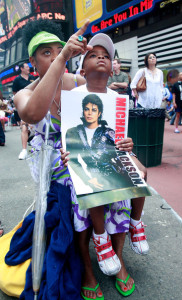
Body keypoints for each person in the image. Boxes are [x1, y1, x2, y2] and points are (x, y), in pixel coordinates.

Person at [0, 19, 135, 300]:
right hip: (56, 165)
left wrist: (123, 140)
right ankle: (87, 267)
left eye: (57, 50)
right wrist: (63, 58)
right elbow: (33, 115)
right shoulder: (24, 94)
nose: (53, 57)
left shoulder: (78, 81)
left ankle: (117, 255)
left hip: (91, 153)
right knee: (78, 194)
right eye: (45, 53)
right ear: (32, 60)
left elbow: (107, 104)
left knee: (122, 181)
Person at [61, 33, 149, 299]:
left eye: (106, 55)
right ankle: (95, 254)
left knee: (141, 172)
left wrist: (128, 146)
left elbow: (120, 138)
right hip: (79, 161)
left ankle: (130, 233)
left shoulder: (118, 98)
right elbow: (68, 138)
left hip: (110, 157)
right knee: (93, 184)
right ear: (82, 68)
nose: (101, 57)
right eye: (92, 54)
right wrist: (68, 154)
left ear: (112, 68)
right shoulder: (72, 96)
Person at [12, 62, 36, 159]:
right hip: (24, 106)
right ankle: (24, 150)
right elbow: (15, 93)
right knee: (24, 126)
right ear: (21, 69)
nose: (28, 68)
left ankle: (35, 146)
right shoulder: (17, 80)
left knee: (35, 127)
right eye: (26, 67)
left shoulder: (33, 78)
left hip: (35, 105)